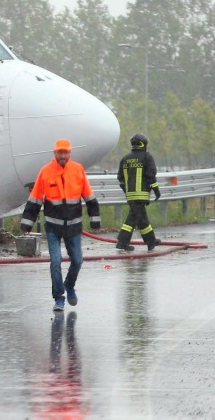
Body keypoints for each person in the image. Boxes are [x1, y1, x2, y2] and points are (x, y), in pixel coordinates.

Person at [20, 139, 101, 312]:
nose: (63, 155)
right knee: (55, 262)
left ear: (69, 153)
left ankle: (69, 285)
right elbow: (35, 199)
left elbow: (89, 197)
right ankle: (59, 297)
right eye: (60, 152)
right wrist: (27, 223)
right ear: (55, 153)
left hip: (73, 226)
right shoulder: (46, 172)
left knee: (77, 261)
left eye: (65, 152)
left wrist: (95, 219)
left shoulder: (77, 170)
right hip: (53, 228)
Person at [115, 132, 162, 252]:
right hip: (141, 195)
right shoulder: (147, 157)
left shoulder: (125, 159)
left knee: (142, 220)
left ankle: (151, 241)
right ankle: (122, 242)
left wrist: (127, 191)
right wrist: (156, 190)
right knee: (132, 219)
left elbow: (120, 178)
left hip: (130, 195)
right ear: (144, 144)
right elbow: (151, 175)